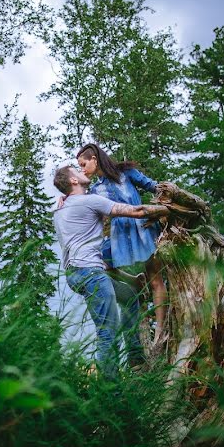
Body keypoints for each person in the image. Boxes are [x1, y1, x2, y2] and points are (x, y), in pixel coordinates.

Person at [52, 164, 169, 377]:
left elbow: (103, 262)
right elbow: (135, 211)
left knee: (130, 296)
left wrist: (129, 278)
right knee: (107, 333)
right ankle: (111, 390)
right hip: (91, 274)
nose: (82, 172)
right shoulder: (89, 201)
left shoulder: (61, 209)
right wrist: (170, 209)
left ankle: (135, 358)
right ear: (73, 181)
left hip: (75, 274)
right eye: (76, 171)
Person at [76, 144, 170, 343]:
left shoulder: (126, 173)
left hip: (143, 228)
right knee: (100, 262)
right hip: (120, 236)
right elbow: (83, 208)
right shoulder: (93, 190)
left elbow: (153, 186)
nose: (82, 169)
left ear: (94, 158)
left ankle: (161, 330)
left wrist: (170, 203)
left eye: (83, 164)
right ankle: (134, 280)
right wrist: (64, 198)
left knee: (155, 280)